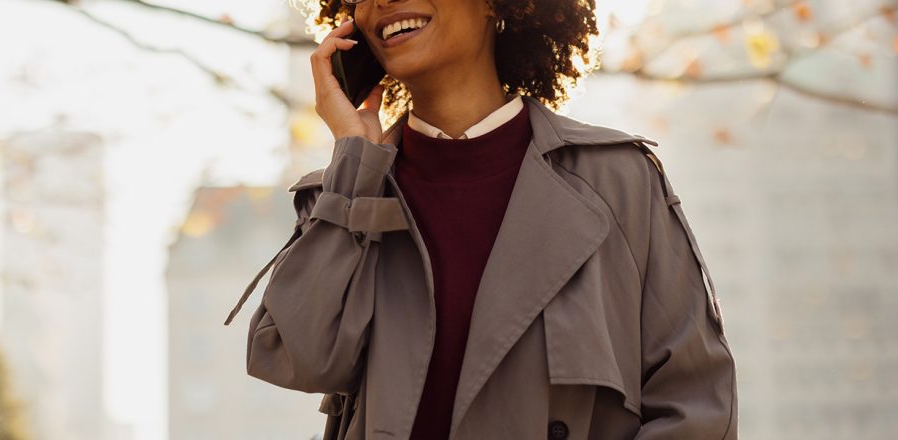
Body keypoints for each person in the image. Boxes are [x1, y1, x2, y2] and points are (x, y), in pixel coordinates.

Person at [225, 0, 737, 438]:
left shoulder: (618, 181)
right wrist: (354, 161)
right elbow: (296, 357)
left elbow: (694, 404)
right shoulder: (344, 193)